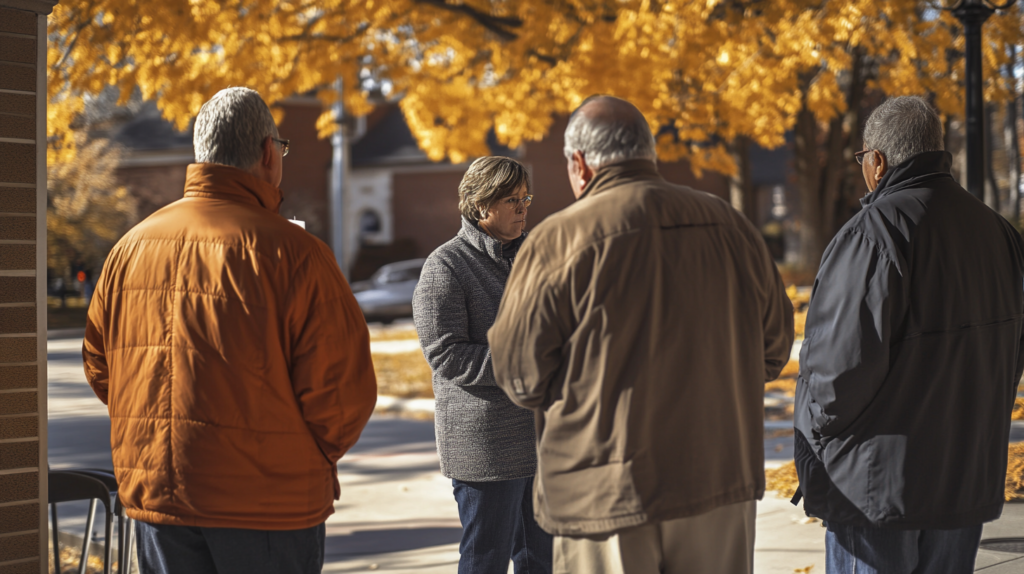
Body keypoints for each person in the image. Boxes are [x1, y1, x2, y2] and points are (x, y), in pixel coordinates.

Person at [488, 96, 794, 574]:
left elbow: (520, 376)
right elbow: (773, 349)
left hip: (607, 493)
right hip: (718, 479)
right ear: (648, 153)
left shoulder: (557, 240)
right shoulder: (731, 225)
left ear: (579, 164)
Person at [82, 87, 377, 574]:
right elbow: (343, 393)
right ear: (268, 154)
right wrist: (302, 457)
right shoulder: (296, 254)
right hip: (267, 504)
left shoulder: (128, 249)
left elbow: (101, 367)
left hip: (158, 497)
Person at [793, 96, 1024, 574]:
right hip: (964, 478)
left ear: (877, 162)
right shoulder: (999, 233)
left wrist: (817, 447)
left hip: (875, 490)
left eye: (862, 158)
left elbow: (835, 377)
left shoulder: (871, 234)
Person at [412, 156, 552, 573]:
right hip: (486, 446)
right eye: (511, 200)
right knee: (485, 560)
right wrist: (524, 362)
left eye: (526, 198)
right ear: (479, 205)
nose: (523, 208)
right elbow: (446, 354)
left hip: (543, 439)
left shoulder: (538, 256)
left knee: (542, 562)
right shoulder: (446, 265)